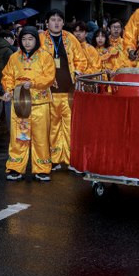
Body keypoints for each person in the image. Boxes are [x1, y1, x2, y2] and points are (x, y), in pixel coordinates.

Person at [2, 26, 55, 182]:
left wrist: (33, 83)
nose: (27, 42)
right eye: (24, 39)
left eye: (30, 39)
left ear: (36, 40)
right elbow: (7, 75)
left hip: (40, 102)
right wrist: (8, 88)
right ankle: (15, 167)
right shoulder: (14, 57)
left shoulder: (46, 57)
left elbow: (49, 77)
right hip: (20, 103)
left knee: (40, 136)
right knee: (20, 136)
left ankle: (42, 168)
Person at [39, 10, 86, 170]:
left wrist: (78, 71)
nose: (56, 23)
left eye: (59, 20)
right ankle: (54, 159)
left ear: (63, 23)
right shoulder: (40, 39)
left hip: (69, 91)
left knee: (70, 127)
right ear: (47, 23)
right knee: (51, 127)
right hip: (49, 91)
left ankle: (72, 159)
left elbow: (81, 58)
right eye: (53, 20)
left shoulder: (70, 38)